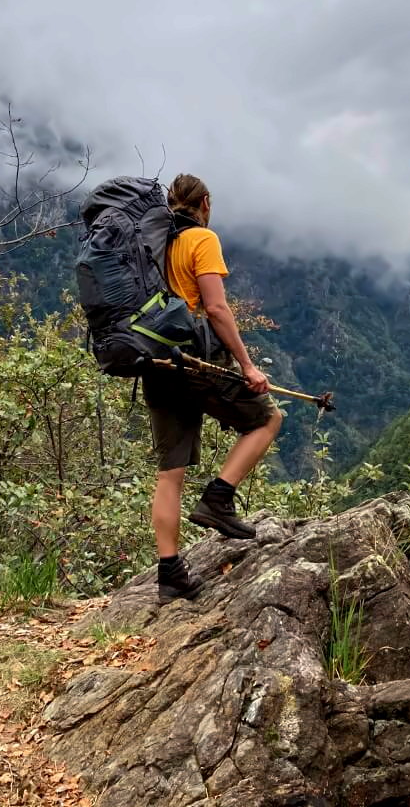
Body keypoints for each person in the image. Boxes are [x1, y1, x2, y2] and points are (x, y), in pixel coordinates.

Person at [145, 173, 283, 602]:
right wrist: (246, 365)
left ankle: (170, 576)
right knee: (267, 418)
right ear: (205, 202)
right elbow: (217, 308)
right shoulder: (201, 240)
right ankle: (219, 498)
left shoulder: (145, 244)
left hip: (154, 361)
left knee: (171, 472)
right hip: (195, 359)